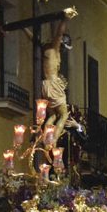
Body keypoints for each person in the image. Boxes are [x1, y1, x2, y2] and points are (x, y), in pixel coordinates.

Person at [41, 8, 77, 139]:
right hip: (54, 84)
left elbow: (33, 38)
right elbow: (59, 34)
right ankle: (53, 142)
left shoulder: (44, 49)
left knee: (52, 115)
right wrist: (65, 19)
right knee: (63, 115)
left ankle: (46, 140)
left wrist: (22, 28)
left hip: (45, 85)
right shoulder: (55, 50)